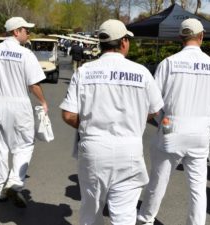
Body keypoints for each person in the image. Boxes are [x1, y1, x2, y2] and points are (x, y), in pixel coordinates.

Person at [60, 19, 164, 225]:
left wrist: (90, 125)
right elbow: (154, 110)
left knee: (91, 210)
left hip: (94, 148)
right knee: (124, 215)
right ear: (124, 42)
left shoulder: (84, 71)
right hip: (129, 149)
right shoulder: (141, 72)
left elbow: (68, 115)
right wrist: (134, 120)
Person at [137, 18, 210, 225]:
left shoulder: (168, 63)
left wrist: (162, 121)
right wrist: (205, 121)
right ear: (202, 36)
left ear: (180, 37)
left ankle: (145, 219)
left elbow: (154, 102)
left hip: (171, 130)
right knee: (197, 189)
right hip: (200, 134)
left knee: (158, 182)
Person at [0, 17, 48, 207]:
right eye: (25, 30)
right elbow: (33, 84)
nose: (27, 33)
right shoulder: (26, 54)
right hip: (19, 103)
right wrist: (43, 101)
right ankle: (14, 181)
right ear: (16, 31)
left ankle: (0, 189)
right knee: (24, 144)